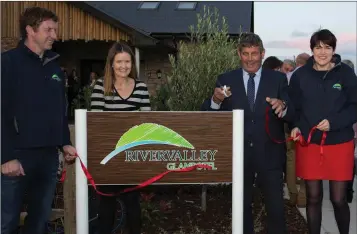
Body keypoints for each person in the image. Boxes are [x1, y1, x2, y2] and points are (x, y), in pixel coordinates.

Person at [201, 32, 295, 234]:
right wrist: (215, 101)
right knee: (241, 208)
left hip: (270, 154)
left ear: (263, 53)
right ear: (239, 53)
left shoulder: (278, 79)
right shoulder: (225, 79)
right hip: (238, 155)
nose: (250, 59)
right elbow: (208, 117)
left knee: (276, 209)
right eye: (246, 53)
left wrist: (283, 106)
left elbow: (292, 111)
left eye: (254, 53)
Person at [1, 7, 77, 234]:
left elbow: (59, 111)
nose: (54, 35)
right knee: (6, 223)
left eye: (55, 29)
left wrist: (64, 143)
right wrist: (6, 157)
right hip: (17, 158)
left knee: (39, 223)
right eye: (48, 29)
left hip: (47, 159)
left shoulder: (54, 67)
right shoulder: (8, 63)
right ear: (30, 30)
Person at [289, 29, 357, 234]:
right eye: (318, 47)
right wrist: (295, 125)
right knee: (313, 197)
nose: (322, 52)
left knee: (338, 199)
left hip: (340, 143)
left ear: (333, 50)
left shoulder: (345, 73)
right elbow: (293, 107)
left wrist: (334, 122)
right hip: (310, 144)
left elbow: (354, 106)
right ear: (312, 49)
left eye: (327, 47)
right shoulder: (300, 75)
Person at [90, 42, 151, 234]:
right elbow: (97, 123)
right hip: (108, 159)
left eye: (127, 61)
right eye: (119, 62)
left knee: (134, 211)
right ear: (111, 64)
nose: (123, 66)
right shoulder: (101, 87)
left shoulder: (141, 88)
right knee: (106, 211)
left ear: (132, 64)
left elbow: (146, 123)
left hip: (132, 159)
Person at [285, 52, 310, 208]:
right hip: (307, 124)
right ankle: (303, 195)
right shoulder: (311, 76)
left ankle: (292, 193)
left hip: (290, 123)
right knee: (307, 159)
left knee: (290, 158)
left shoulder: (288, 76)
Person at [342, 59, 356, 203]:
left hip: (349, 126)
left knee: (349, 158)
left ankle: (347, 188)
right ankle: (348, 188)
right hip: (349, 126)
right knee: (350, 158)